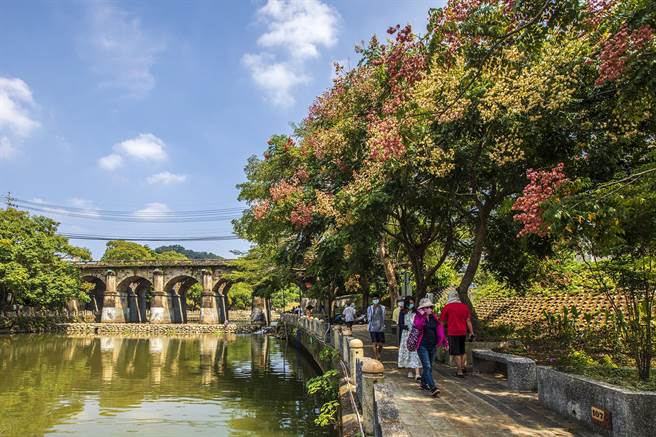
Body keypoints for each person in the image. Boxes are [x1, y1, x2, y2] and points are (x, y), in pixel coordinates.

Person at [414, 297, 448, 397]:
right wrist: (422, 316)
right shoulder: (418, 317)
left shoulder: (434, 318)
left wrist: (444, 342)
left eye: (430, 307)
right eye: (427, 307)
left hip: (432, 346)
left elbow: (440, 330)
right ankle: (433, 388)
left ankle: (423, 384)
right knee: (427, 366)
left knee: (429, 367)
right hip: (422, 346)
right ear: (422, 309)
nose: (430, 309)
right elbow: (418, 326)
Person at [440, 290, 474, 378]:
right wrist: (471, 332)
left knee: (456, 352)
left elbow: (442, 322)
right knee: (462, 350)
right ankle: (462, 367)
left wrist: (439, 332)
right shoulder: (464, 307)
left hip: (453, 332)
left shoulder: (447, 307)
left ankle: (459, 371)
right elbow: (468, 321)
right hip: (463, 332)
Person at [397, 297, 421, 379]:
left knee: (415, 352)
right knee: (408, 351)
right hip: (406, 335)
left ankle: (417, 373)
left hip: (415, 334)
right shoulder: (402, 312)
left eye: (412, 303)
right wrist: (407, 327)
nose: (411, 304)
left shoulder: (416, 312)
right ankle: (410, 370)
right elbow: (400, 324)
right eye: (409, 303)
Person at [366, 295, 386, 360]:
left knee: (381, 343)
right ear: (372, 301)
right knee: (374, 342)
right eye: (374, 299)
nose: (375, 301)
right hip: (372, 327)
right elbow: (369, 317)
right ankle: (376, 356)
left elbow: (384, 317)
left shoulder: (382, 307)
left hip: (381, 327)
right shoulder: (370, 308)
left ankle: (378, 352)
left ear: (379, 300)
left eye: (376, 299)